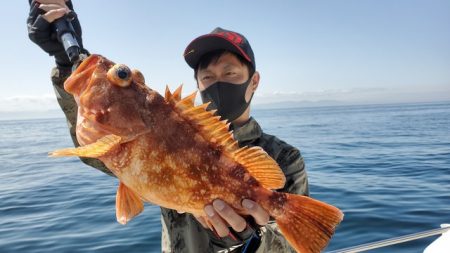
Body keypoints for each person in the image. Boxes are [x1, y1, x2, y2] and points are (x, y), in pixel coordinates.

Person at [27, 1, 309, 252]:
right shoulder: (138, 137)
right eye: (208, 76)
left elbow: (298, 247)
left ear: (254, 81)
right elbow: (92, 142)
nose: (217, 82)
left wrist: (252, 241)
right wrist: (65, 62)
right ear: (198, 84)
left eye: (230, 73)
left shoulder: (285, 158)